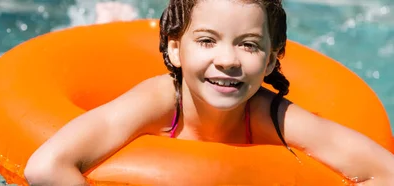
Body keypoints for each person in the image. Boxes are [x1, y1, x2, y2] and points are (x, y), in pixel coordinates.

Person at [24, 0, 394, 185]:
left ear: (271, 60)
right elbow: (45, 167)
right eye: (206, 41)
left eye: (249, 45)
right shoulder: (160, 101)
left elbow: (386, 173)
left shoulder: (276, 118)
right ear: (173, 49)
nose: (228, 60)